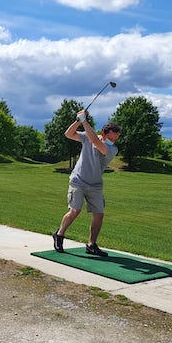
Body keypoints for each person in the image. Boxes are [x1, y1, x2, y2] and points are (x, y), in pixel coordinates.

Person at [52, 110, 121, 257]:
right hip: (78, 181)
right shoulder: (88, 136)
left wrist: (84, 121)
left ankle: (91, 244)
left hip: (95, 185)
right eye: (110, 138)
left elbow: (96, 143)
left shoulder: (112, 149)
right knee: (75, 211)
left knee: (99, 214)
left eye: (115, 139)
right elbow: (68, 134)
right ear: (103, 133)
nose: (113, 141)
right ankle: (59, 235)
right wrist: (78, 121)